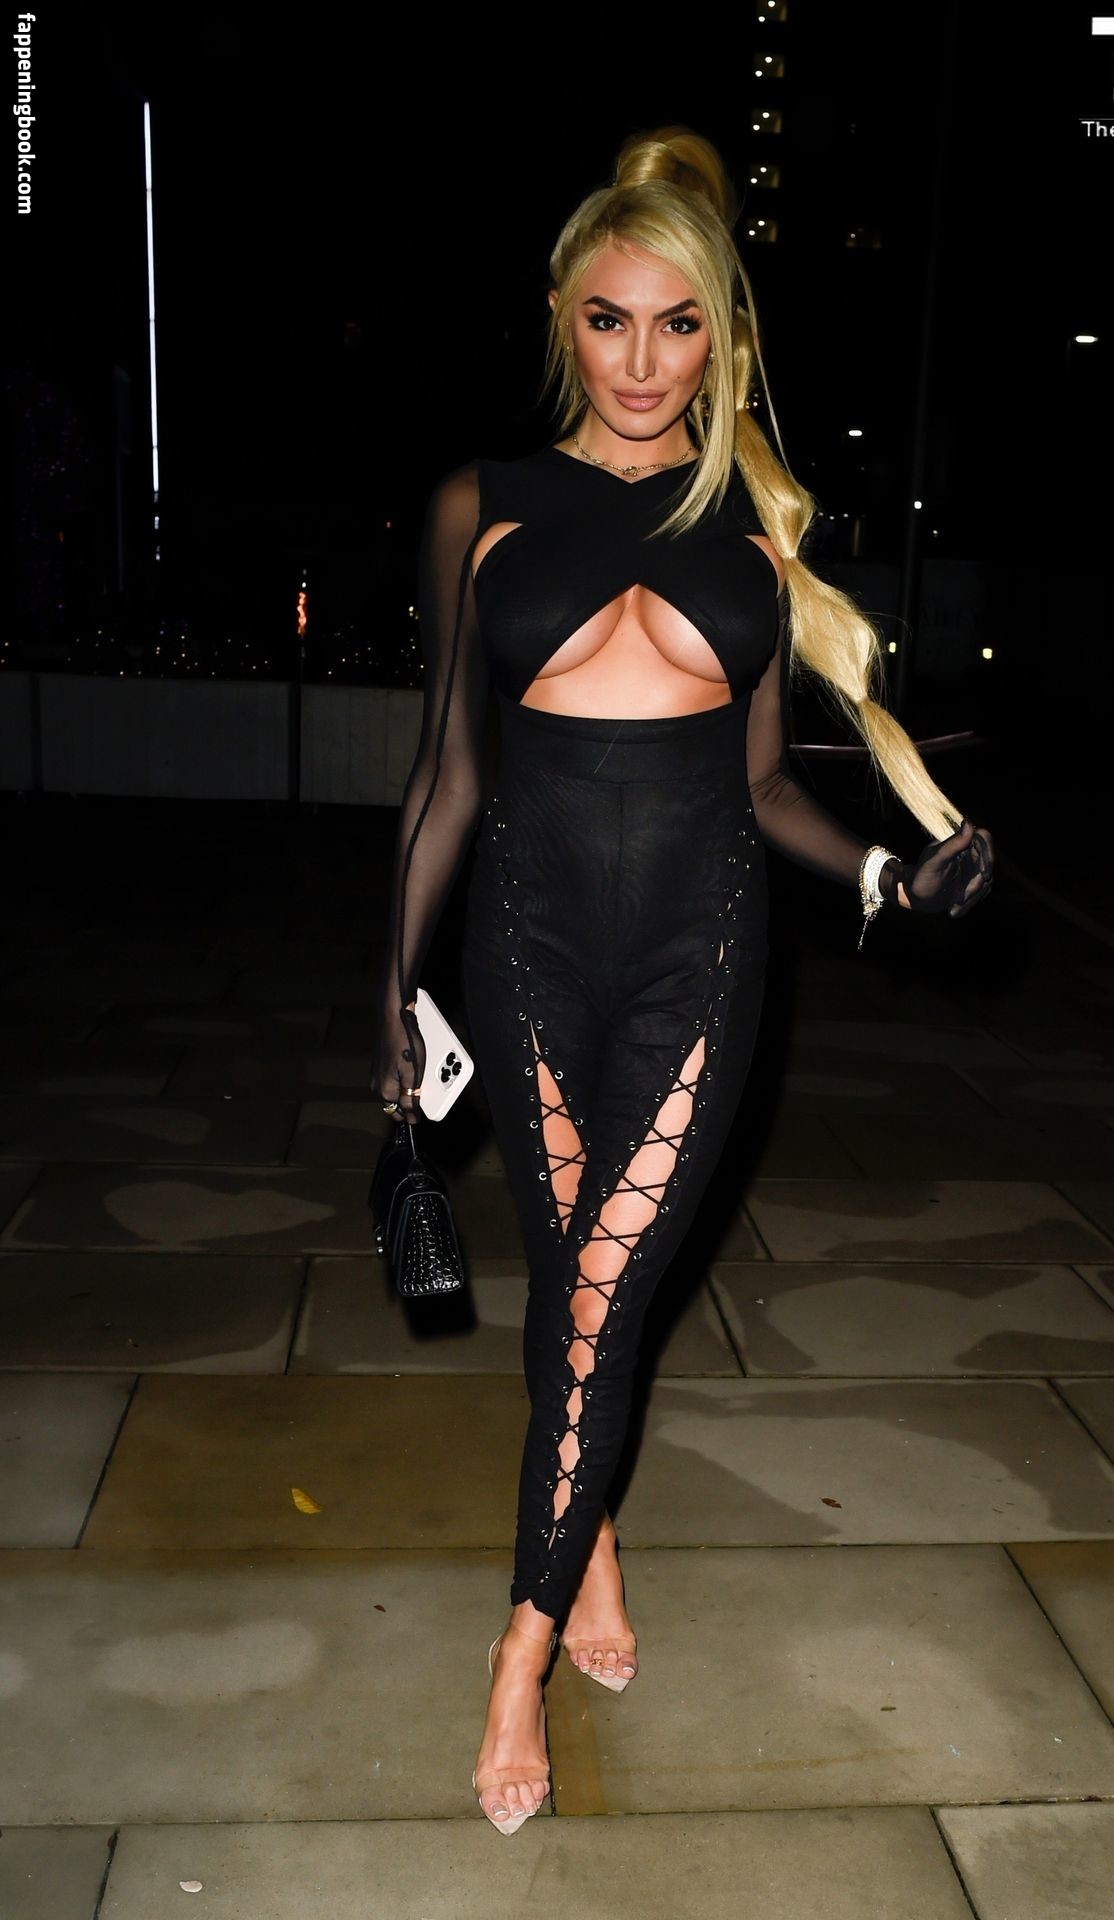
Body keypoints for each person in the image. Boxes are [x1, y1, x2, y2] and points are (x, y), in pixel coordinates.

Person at [370, 125, 993, 1837]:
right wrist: (387, 1001)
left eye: (678, 324)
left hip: (701, 959)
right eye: (608, 320)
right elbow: (446, 780)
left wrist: (887, 877)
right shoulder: (482, 506)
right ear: (560, 319)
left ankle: (518, 1648)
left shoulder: (750, 537)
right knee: (579, 1286)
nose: (642, 363)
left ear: (721, 332)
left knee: (603, 1291)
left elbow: (770, 786)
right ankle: (592, 1539)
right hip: (524, 949)